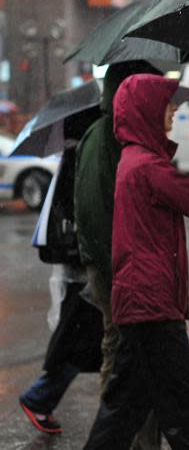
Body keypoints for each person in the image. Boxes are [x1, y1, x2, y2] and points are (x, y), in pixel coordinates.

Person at [84, 74, 189, 449]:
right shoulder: (147, 166)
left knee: (124, 408)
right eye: (166, 105)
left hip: (140, 303)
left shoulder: (134, 159)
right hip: (152, 306)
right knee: (185, 409)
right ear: (146, 112)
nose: (173, 112)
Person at [75, 60, 163, 449]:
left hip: (99, 258)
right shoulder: (120, 137)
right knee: (137, 353)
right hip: (119, 263)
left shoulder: (93, 134)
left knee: (117, 345)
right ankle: (133, 438)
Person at [20, 119, 103, 435]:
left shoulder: (75, 156)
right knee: (78, 339)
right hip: (81, 269)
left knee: (81, 340)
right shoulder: (80, 158)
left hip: (77, 267)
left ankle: (40, 398)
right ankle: (38, 397)